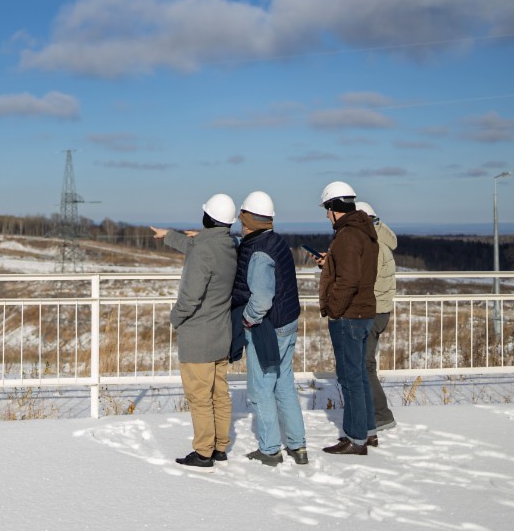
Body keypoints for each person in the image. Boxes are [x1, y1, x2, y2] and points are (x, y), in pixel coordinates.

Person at [151, 193, 238, 468]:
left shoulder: (203, 249)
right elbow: (198, 247)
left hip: (198, 335)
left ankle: (203, 452)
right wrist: (171, 236)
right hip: (221, 334)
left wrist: (175, 318)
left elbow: (190, 296)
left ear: (207, 218)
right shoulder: (229, 245)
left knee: (199, 396)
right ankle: (220, 447)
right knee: (218, 393)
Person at [229, 190, 308, 467]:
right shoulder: (274, 241)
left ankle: (270, 449)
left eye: (242, 217)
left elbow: (261, 299)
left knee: (261, 389)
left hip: (268, 328)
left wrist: (247, 319)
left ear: (248, 219)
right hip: (286, 323)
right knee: (284, 384)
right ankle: (298, 446)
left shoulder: (259, 253)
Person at [317, 181, 379, 456]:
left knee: (350, 378)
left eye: (327, 209)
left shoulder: (347, 236)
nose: (326, 215)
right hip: (364, 312)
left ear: (333, 207)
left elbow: (349, 280)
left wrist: (334, 308)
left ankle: (355, 439)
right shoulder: (365, 232)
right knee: (360, 376)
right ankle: (368, 432)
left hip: (349, 316)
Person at [356, 201, 398, 433]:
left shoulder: (373, 247)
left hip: (371, 312)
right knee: (366, 363)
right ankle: (375, 413)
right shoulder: (382, 242)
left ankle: (381, 415)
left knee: (365, 365)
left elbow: (362, 279)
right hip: (380, 311)